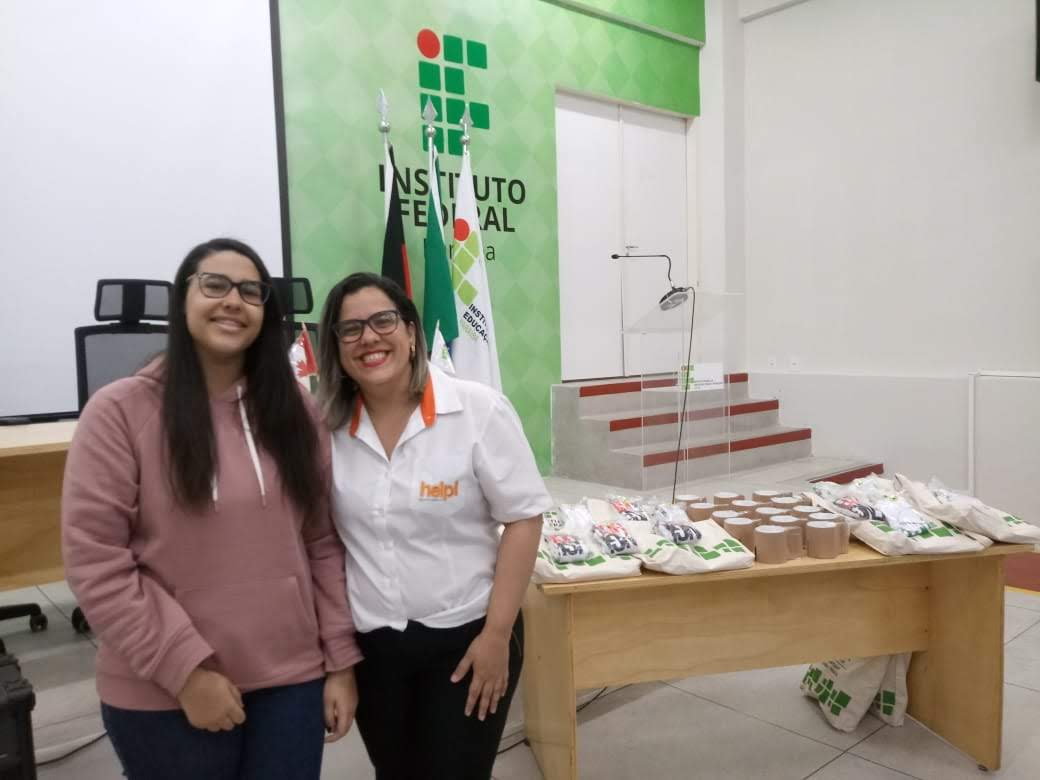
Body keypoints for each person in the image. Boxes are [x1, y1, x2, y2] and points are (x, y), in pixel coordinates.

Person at [62, 238, 362, 780]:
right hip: (164, 689)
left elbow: (321, 542)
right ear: (183, 299)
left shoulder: (295, 411)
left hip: (290, 681)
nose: (232, 301)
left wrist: (340, 661)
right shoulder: (118, 412)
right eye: (214, 285)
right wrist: (184, 672)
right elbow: (96, 561)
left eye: (250, 291)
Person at [316, 272, 551, 779]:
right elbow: (324, 546)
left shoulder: (477, 410)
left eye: (383, 321)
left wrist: (497, 635)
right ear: (335, 347)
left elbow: (523, 519)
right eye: (350, 329)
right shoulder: (326, 431)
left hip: (468, 639)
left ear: (410, 332)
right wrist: (339, 664)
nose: (368, 338)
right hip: (374, 649)